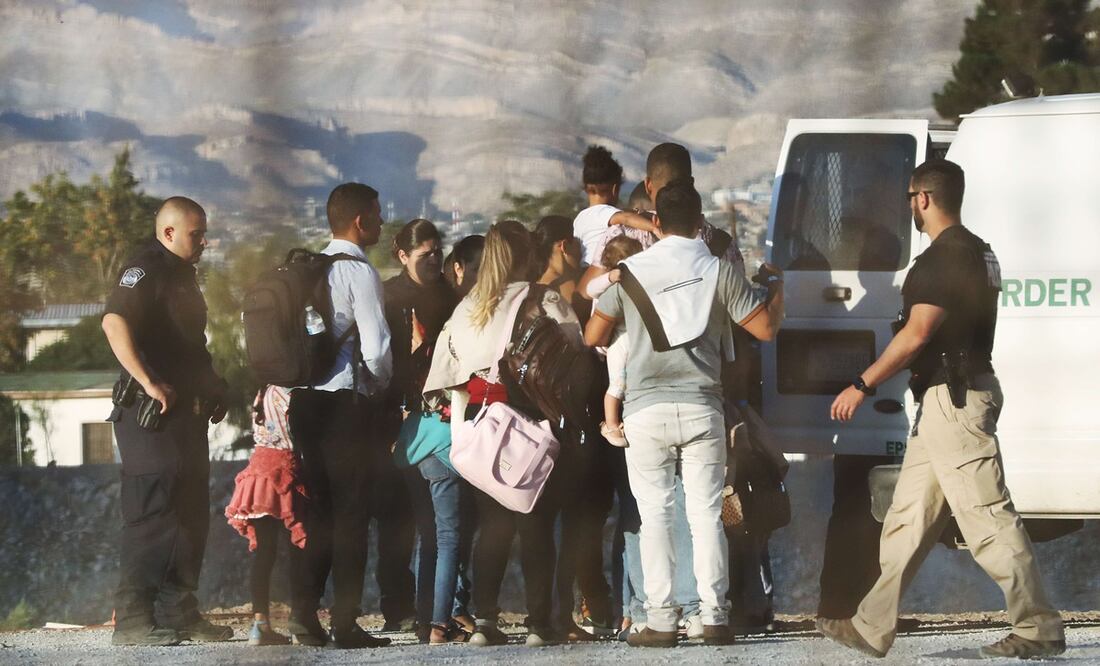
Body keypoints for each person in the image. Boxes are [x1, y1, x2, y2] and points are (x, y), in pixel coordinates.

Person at [819, 160, 1065, 660]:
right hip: (944, 401)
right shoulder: (977, 251)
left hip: (955, 402)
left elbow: (917, 334)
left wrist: (860, 384)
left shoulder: (944, 258)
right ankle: (870, 624)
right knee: (908, 518)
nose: (909, 206)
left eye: (910, 197)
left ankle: (1038, 626)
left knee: (989, 519)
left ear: (923, 199)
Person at [585, 180, 783, 648]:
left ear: (655, 221)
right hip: (702, 407)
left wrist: (613, 286)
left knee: (654, 515)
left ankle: (660, 619)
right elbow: (766, 328)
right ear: (699, 222)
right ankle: (713, 616)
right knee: (706, 514)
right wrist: (778, 288)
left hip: (645, 410)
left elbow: (594, 334)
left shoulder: (632, 271)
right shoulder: (718, 269)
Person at [424, 220, 583, 647]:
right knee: (536, 524)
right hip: (534, 422)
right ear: (527, 255)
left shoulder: (467, 308)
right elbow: (576, 353)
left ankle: (486, 620)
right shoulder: (543, 299)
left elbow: (443, 376)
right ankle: (537, 623)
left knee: (492, 528)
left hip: (484, 425)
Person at [101, 196, 233, 646]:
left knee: (190, 513)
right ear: (169, 233)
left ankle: (179, 612)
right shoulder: (146, 267)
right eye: (197, 234)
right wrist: (149, 381)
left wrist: (215, 386)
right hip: (149, 418)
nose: (204, 241)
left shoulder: (184, 277)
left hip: (186, 418)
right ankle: (134, 622)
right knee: (151, 515)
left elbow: (189, 345)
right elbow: (114, 323)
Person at [286, 182, 393, 649]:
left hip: (304, 404)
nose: (383, 223)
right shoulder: (358, 272)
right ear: (360, 222)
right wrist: (380, 387)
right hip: (345, 407)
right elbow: (378, 347)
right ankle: (346, 622)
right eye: (378, 214)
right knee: (352, 515)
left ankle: (304, 616)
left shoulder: (309, 268)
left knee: (319, 514)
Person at [382, 219, 473, 644]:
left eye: (439, 252)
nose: (435, 260)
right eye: (425, 255)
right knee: (433, 529)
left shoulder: (448, 296)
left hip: (437, 421)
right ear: (403, 256)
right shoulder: (391, 298)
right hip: (419, 423)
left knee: (438, 529)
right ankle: (432, 616)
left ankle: (439, 612)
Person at [532, 215, 615, 639]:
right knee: (577, 525)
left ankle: (543, 616)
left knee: (542, 528)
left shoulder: (523, 297)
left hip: (534, 429)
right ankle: (563, 615)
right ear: (564, 246)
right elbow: (581, 360)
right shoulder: (557, 303)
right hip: (571, 429)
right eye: (578, 248)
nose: (581, 257)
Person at [225, 385, 307, 647]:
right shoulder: (289, 393)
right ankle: (300, 622)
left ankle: (260, 625)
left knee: (264, 553)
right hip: (284, 472)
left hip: (257, 474)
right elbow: (297, 434)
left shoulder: (261, 391)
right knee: (298, 550)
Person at [584, 235, 644, 447]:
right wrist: (612, 277)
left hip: (627, 335)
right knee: (618, 383)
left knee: (626, 379)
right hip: (615, 340)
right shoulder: (607, 282)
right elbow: (589, 289)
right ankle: (611, 423)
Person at [573, 145, 659, 267]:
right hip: (602, 267)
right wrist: (655, 228)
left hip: (584, 270)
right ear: (615, 189)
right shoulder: (606, 212)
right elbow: (626, 218)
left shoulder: (579, 219)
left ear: (586, 188)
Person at [444, 234, 485, 299]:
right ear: (458, 269)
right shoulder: (444, 303)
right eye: (477, 270)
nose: (485, 276)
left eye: (490, 269)